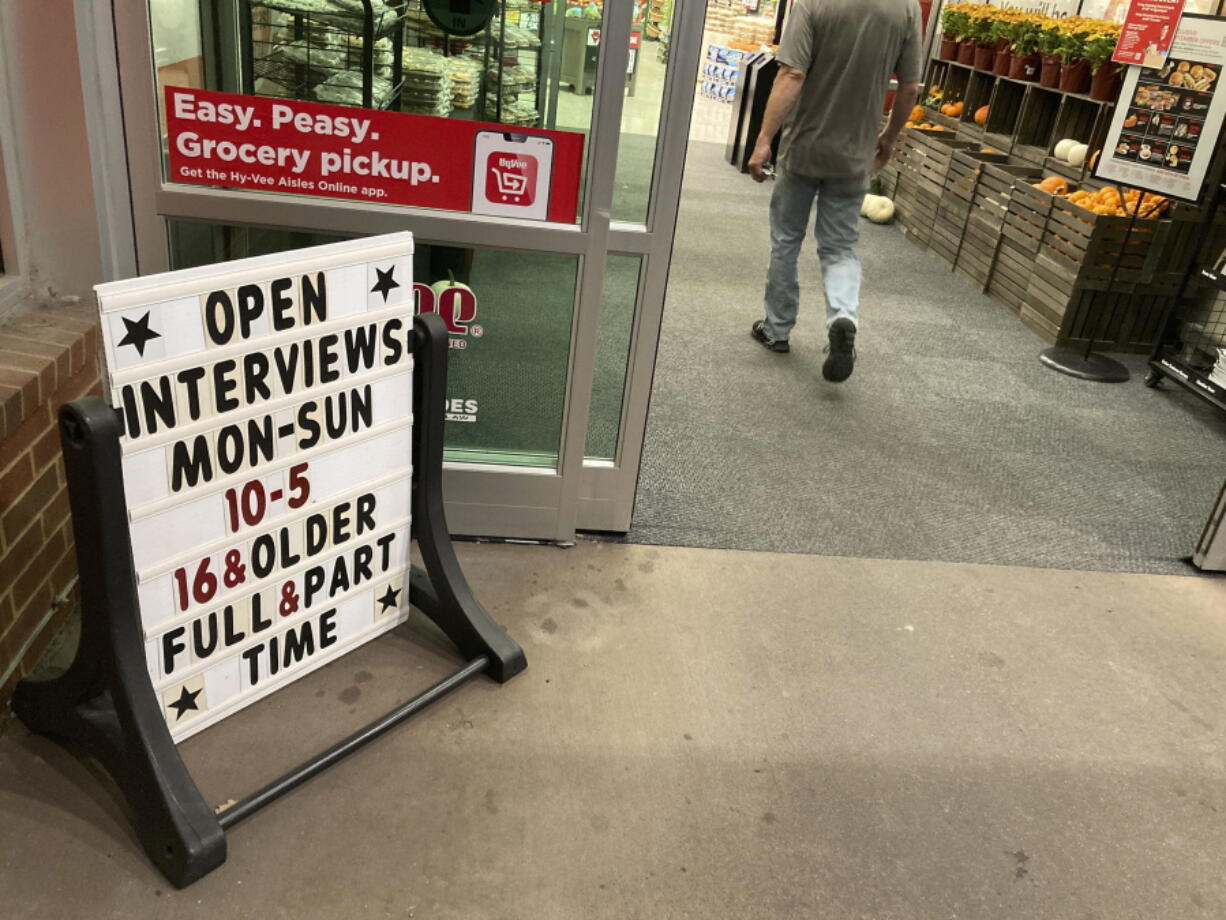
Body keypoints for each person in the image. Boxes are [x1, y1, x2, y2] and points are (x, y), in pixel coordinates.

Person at [747, 0, 922, 382]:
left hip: (804, 148)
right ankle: (843, 314)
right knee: (839, 247)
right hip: (855, 152)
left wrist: (764, 139)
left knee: (786, 241)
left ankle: (777, 329)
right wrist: (888, 138)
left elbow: (791, 74)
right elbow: (909, 87)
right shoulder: (907, 8)